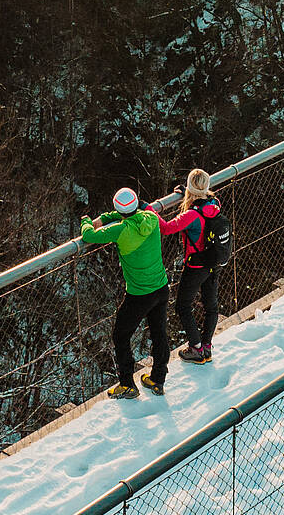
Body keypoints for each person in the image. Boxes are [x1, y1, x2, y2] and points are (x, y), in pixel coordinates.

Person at [81, 186, 169, 398]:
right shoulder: (151, 217)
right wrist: (109, 216)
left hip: (139, 294)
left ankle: (128, 384)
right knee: (159, 333)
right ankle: (157, 380)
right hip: (161, 287)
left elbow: (89, 235)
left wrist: (86, 220)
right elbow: (128, 212)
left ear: (118, 209)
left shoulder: (120, 230)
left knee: (120, 335)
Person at [159, 168, 230, 364]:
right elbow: (203, 198)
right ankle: (206, 347)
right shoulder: (214, 204)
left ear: (190, 187)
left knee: (183, 305)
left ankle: (196, 348)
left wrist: (149, 210)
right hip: (213, 263)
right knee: (211, 306)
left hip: (196, 265)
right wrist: (188, 194)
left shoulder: (191, 215)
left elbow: (166, 228)